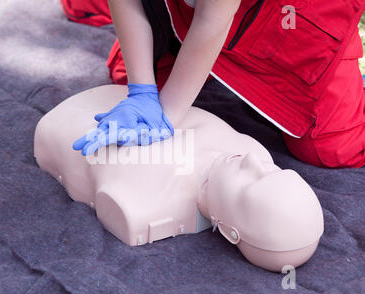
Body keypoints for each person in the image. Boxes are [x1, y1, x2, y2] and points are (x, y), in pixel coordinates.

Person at [34, 84, 324, 272]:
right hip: (121, 97)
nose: (252, 162)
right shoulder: (252, 152)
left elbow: (113, 199)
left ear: (229, 231)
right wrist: (142, 91)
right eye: (273, 170)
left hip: (67, 124)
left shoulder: (147, 203)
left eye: (251, 181)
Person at [67, 0, 365, 168]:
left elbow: (213, 19)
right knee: (126, 73)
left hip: (292, 18)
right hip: (196, 11)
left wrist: (167, 116)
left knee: (333, 149)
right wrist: (142, 92)